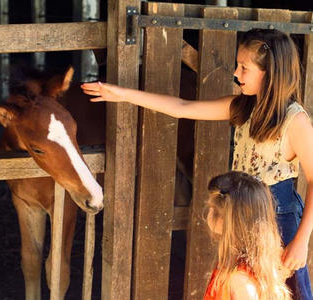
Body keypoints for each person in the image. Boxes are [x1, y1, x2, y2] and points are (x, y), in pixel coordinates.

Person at [81, 28, 313, 299]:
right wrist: (122, 95)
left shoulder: (295, 121)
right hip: (241, 219)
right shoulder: (243, 107)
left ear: (270, 72)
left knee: (289, 293)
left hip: (278, 222)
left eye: (244, 67)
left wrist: (301, 240)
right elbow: (182, 107)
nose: (236, 74)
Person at [204, 171, 291, 299]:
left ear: (229, 221)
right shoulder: (250, 266)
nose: (208, 213)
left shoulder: (240, 281)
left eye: (213, 208)